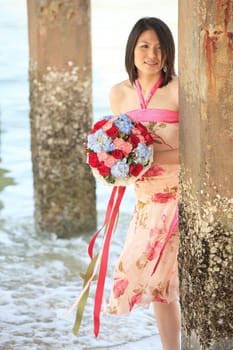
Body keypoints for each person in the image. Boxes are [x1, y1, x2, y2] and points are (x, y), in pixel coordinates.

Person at [106, 17, 180, 350]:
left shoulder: (180, 89)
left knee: (171, 281)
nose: (152, 54)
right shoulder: (119, 94)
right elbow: (116, 146)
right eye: (145, 45)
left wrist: (154, 154)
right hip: (145, 200)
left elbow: (202, 149)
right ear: (132, 49)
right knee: (156, 285)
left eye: (160, 47)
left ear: (169, 53)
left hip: (179, 195)